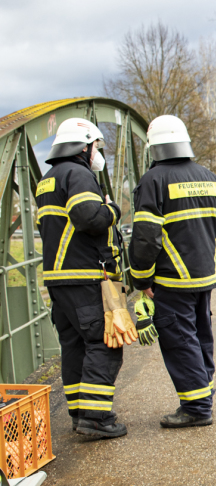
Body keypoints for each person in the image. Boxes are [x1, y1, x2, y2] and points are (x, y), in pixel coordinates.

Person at [128, 115, 216, 428]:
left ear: (153, 147)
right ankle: (204, 396)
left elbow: (146, 238)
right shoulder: (208, 176)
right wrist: (210, 261)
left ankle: (197, 409)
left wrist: (142, 278)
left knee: (179, 341)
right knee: (201, 337)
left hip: (171, 280)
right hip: (204, 278)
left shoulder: (154, 181)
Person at [36, 118, 129, 439]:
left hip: (59, 278)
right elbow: (89, 217)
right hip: (85, 275)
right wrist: (114, 209)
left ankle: (79, 411)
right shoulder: (78, 174)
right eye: (95, 147)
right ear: (84, 145)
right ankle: (95, 417)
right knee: (105, 343)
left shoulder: (48, 179)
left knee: (74, 345)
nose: (97, 154)